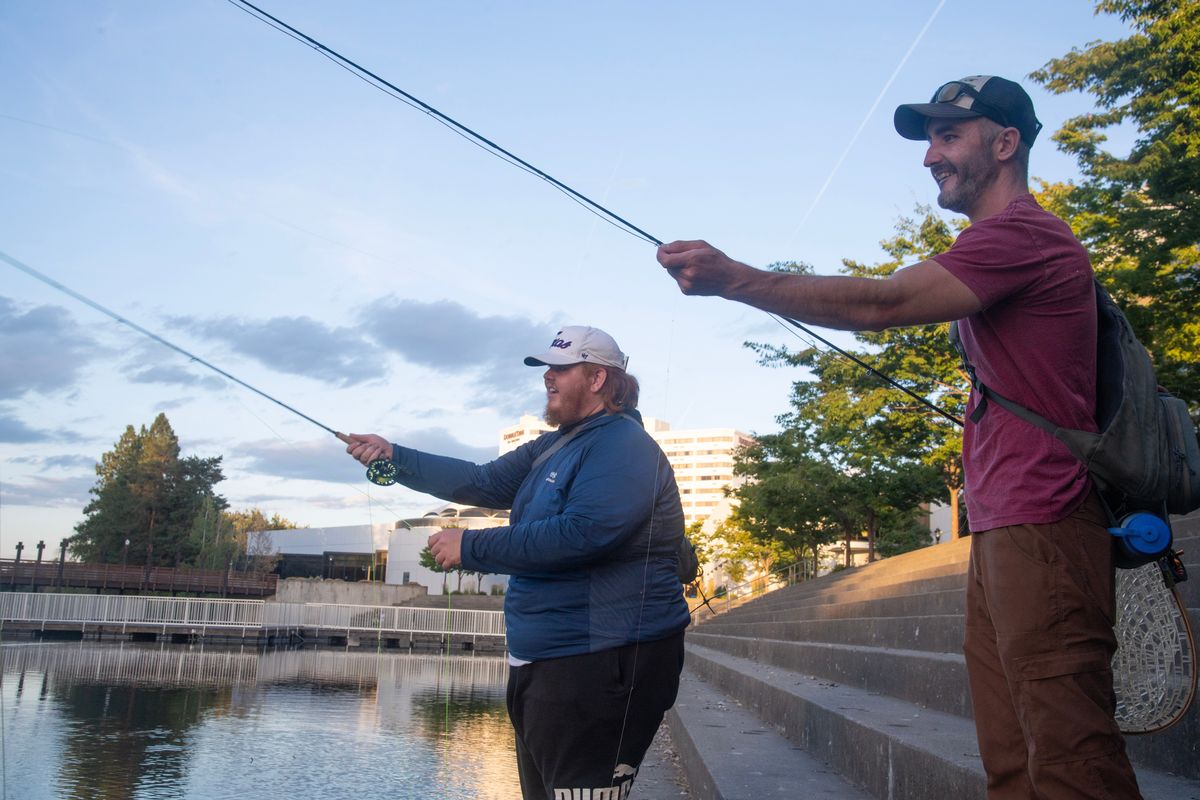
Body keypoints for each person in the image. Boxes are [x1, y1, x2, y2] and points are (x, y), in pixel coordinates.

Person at [656, 76, 1141, 799]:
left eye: (948, 136)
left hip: (1046, 523)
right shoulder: (994, 245)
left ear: (1005, 142)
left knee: (1071, 756)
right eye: (929, 140)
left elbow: (884, 302)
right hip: (1008, 526)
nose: (929, 157)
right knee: (1012, 757)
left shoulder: (1026, 236)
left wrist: (737, 279)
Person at [346, 325, 690, 800]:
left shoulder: (623, 445)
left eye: (561, 368)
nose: (548, 377)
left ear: (597, 379)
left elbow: (584, 534)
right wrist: (396, 456)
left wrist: (471, 548)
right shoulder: (556, 444)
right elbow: (481, 481)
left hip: (603, 661)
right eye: (547, 368)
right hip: (548, 662)